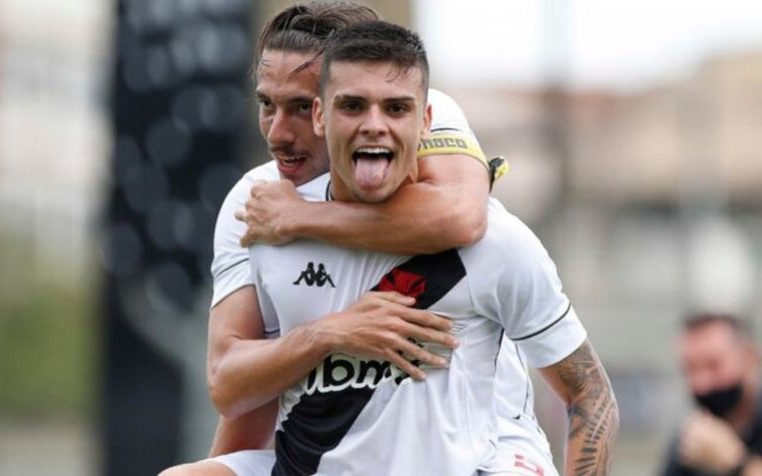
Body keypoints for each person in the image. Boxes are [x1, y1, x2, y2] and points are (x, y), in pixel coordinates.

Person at [158, 3, 552, 475]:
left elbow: (463, 217)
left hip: (488, 441)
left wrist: (305, 217)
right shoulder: (255, 199)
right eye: (267, 105)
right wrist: (330, 332)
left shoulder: (420, 110)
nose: (278, 134)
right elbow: (236, 387)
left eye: (301, 108)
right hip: (336, 444)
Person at [242, 20, 617, 475]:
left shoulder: (493, 242)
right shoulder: (268, 230)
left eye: (396, 108)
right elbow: (238, 396)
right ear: (320, 116)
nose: (374, 126)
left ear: (425, 122)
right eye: (353, 106)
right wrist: (326, 334)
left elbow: (591, 397)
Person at [661, 313, 762, 476]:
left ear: (750, 358)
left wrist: (737, 463)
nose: (701, 384)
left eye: (713, 365)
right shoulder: (690, 441)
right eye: (690, 369)